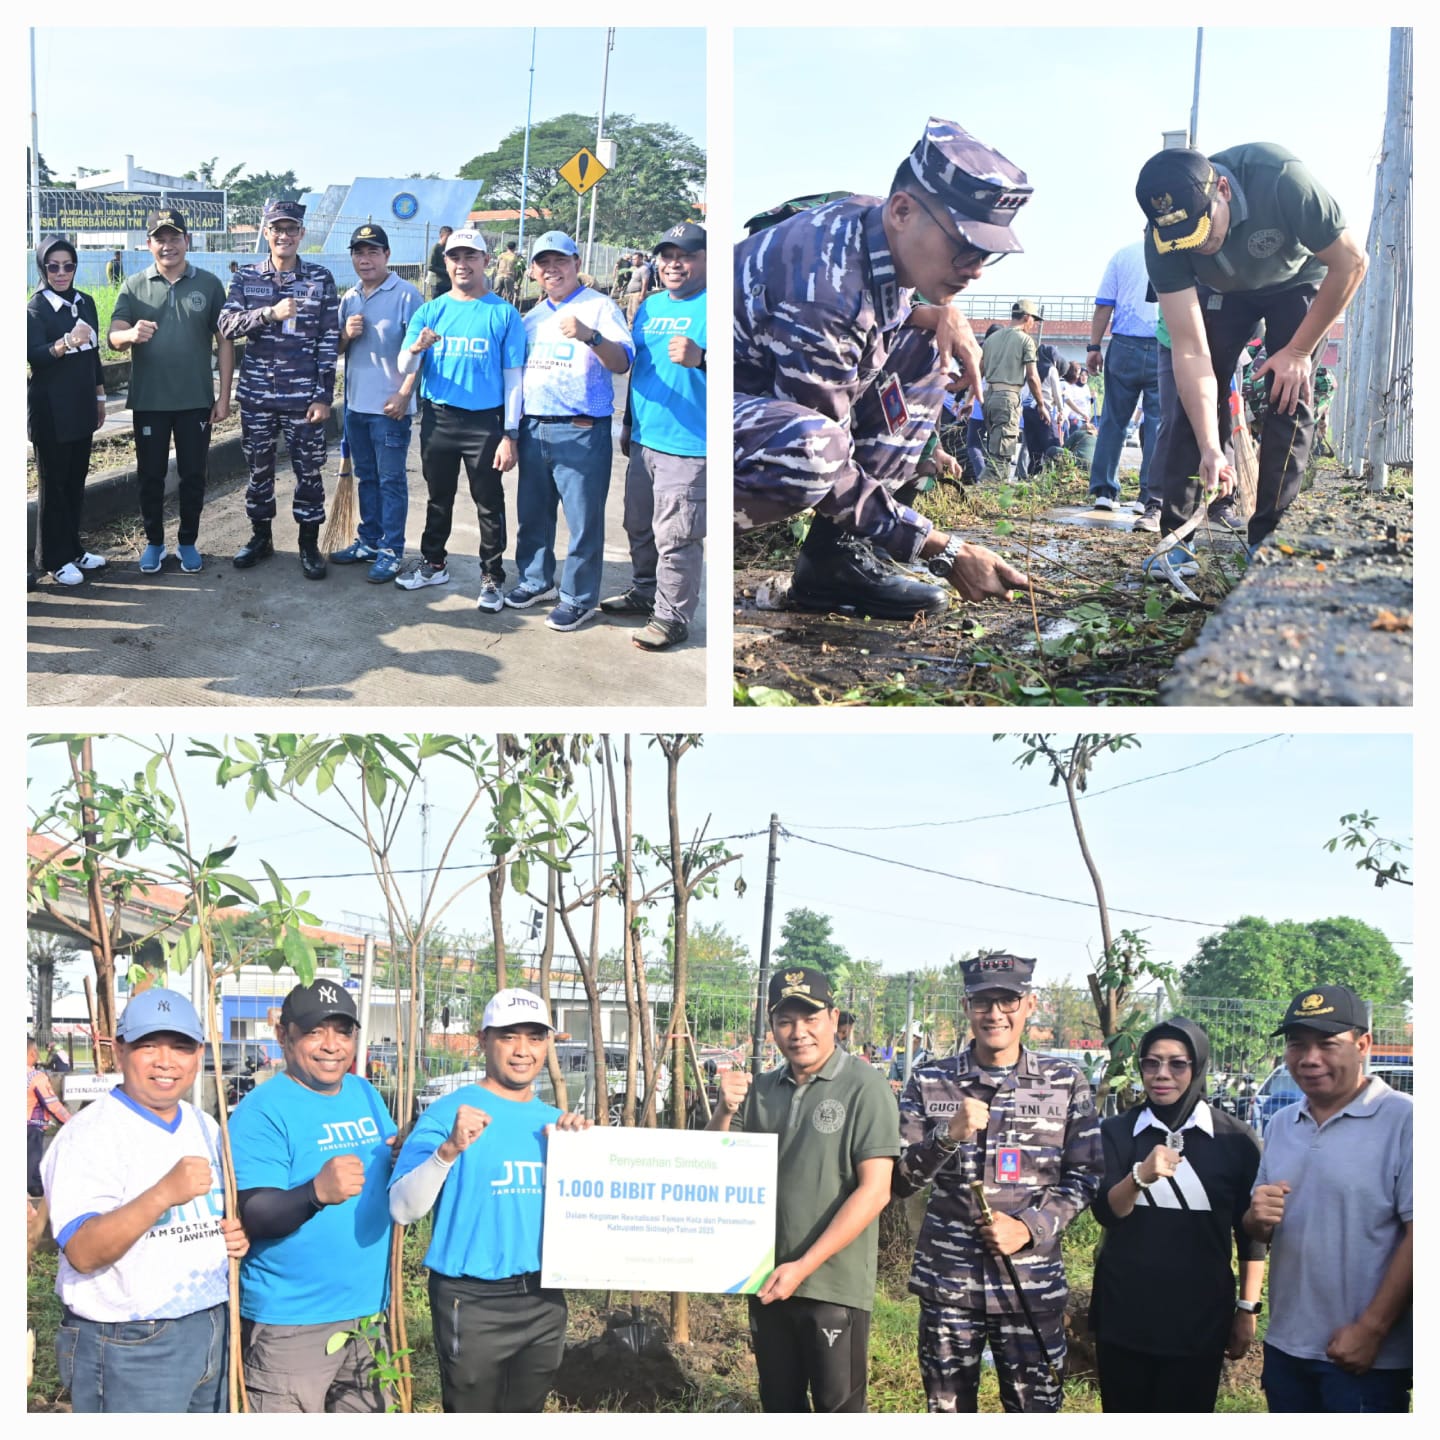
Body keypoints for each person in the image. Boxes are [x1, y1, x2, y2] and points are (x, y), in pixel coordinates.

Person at [734, 118, 1033, 620]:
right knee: (814, 451)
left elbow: (883, 323)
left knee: (928, 349)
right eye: (964, 246)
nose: (976, 269)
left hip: (761, 397)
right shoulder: (826, 289)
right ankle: (695, 528)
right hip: (702, 414)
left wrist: (941, 315)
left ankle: (834, 560)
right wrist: (945, 550)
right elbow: (828, 466)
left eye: (987, 255)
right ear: (902, 210)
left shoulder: (877, 234)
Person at [1135, 144, 1368, 557]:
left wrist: (1297, 352)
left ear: (1222, 189)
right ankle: (1176, 541)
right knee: (1192, 407)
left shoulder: (1280, 178)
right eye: (1182, 241)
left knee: (1287, 396)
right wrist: (1210, 446)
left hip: (1297, 281)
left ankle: (1267, 540)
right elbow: (1190, 350)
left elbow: (1351, 261)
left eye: (1202, 231)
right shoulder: (1161, 241)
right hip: (1223, 292)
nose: (1199, 246)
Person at [894, 952, 1101, 1413]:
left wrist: (1029, 1227)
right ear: (966, 1007)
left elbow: (1087, 1176)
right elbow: (900, 1180)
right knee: (948, 1412)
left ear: (1029, 1004)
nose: (995, 1014)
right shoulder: (930, 1082)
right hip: (950, 1284)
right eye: (983, 1002)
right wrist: (945, 1138)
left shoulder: (1065, 1081)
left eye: (1007, 1001)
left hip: (1030, 1284)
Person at [40, 989, 248, 1412]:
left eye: (181, 1047)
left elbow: (206, 1215)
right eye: (148, 1045)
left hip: (210, 1324)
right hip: (130, 1341)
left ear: (199, 1054)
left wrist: (231, 1234)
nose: (165, 1061)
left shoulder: (204, 1125)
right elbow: (82, 1251)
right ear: (120, 1050)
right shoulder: (88, 1135)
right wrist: (162, 1194)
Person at [389, 989, 591, 1411]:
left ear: (548, 1044)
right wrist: (447, 1150)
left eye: (535, 1038)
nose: (523, 1051)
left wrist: (585, 1151)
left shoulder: (557, 1125)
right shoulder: (449, 1114)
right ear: (483, 1040)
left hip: (543, 1297)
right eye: (508, 1037)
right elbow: (403, 1208)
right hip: (472, 1299)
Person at [708, 966, 899, 1412]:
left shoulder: (864, 1088)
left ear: (833, 1019)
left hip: (832, 1285)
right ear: (772, 1026)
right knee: (779, 1403)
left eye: (810, 1019)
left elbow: (875, 1192)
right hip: (768, 1279)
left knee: (838, 1409)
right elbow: (717, 1163)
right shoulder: (762, 1090)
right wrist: (722, 1108)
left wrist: (803, 1265)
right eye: (785, 1021)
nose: (799, 1033)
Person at [229, 980, 398, 1412]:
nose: (331, 1045)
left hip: (369, 1314)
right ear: (284, 1036)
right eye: (314, 1031)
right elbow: (255, 1213)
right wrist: (315, 1193)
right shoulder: (263, 1110)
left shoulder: (364, 1093)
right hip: (293, 1321)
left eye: (342, 1031)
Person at [1243, 985, 1411, 1413]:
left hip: (1363, 1357)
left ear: (1363, 1044)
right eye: (1297, 1045)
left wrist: (1372, 1329)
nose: (1309, 1058)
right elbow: (1260, 1226)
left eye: (1327, 1044)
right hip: (1285, 1346)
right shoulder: (1282, 1123)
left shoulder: (1406, 1121)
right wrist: (1256, 1219)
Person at [1089, 1017, 1265, 1412]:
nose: (1161, 1075)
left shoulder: (1235, 1141)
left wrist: (1246, 1309)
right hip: (1124, 1315)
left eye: (1176, 1064)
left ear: (1198, 1066)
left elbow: (1250, 1235)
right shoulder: (1117, 1132)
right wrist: (1140, 1176)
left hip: (1199, 1321)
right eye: (1151, 1063)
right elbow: (1106, 1213)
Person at [508, 230, 634, 632]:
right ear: (532, 271)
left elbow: (621, 363)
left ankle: (578, 598)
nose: (552, 269)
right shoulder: (531, 317)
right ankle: (535, 580)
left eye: (560, 261)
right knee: (533, 515)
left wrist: (590, 336)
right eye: (543, 263)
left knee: (582, 520)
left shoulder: (600, 308)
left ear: (577, 264)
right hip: (534, 427)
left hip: (580, 430)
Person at [393, 228, 524, 609]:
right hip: (440, 418)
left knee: (488, 500)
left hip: (485, 422)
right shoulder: (431, 311)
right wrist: (417, 346)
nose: (462, 265)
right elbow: (405, 363)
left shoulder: (502, 313)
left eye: (471, 257)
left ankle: (492, 576)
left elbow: (514, 377)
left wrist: (509, 433)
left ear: (486, 260)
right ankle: (434, 563)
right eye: (455, 257)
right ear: (445, 263)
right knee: (438, 496)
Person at [218, 199, 340, 579]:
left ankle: (307, 543)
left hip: (302, 396)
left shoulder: (320, 279)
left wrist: (323, 395)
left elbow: (328, 338)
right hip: (257, 396)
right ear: (266, 233)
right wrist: (268, 314)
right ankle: (261, 538)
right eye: (277, 229)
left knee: (309, 471)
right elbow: (226, 325)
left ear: (301, 234)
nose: (284, 235)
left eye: (291, 229)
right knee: (258, 470)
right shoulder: (246, 278)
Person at [108, 208, 233, 575]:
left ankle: (188, 542)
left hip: (195, 400)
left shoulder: (208, 284)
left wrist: (224, 396)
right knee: (151, 475)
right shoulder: (134, 285)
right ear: (148, 245)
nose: (168, 246)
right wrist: (130, 335)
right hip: (150, 401)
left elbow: (224, 340)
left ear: (187, 241)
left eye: (174, 237)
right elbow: (114, 336)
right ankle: (154, 544)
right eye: (159, 239)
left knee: (194, 473)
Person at [603, 220, 707, 651]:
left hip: (692, 444)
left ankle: (673, 617)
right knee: (638, 524)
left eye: (685, 255)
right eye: (667, 255)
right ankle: (646, 591)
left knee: (677, 535)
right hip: (646, 437)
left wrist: (704, 359)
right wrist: (628, 423)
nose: (674, 263)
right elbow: (639, 371)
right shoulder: (649, 307)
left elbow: (754, 373)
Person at [328, 223, 423, 583]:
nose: (364, 259)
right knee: (366, 477)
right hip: (355, 408)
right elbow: (335, 350)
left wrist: (405, 394)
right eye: (358, 252)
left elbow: (421, 352)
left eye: (372, 252)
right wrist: (345, 335)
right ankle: (368, 541)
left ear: (387, 255)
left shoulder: (406, 295)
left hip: (389, 409)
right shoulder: (349, 297)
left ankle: (391, 550)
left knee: (391, 481)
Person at [28, 234, 108, 587]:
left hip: (80, 406)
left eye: (68, 266)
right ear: (43, 268)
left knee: (75, 483)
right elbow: (35, 356)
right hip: (51, 411)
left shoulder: (85, 302)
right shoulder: (35, 308)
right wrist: (65, 342)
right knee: (54, 487)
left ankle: (73, 549)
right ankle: (52, 558)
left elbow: (94, 357)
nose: (61, 273)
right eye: (53, 266)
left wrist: (101, 398)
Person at [1086, 240, 1161, 526]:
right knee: (1156, 423)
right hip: (1162, 344)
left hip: (1124, 345)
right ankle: (1148, 497)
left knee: (1113, 420)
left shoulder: (1123, 255)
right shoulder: (1178, 250)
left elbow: (1104, 305)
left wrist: (1093, 346)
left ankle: (1104, 491)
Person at [981, 300, 1051, 481]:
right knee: (1002, 456)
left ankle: (988, 490)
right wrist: (1041, 404)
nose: (1033, 325)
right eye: (1033, 320)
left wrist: (966, 399)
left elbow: (978, 371)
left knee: (994, 450)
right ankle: (986, 492)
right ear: (1027, 317)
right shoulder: (1026, 340)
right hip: (1008, 398)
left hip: (989, 397)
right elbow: (1032, 377)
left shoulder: (991, 339)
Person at [27, 1036, 71, 1197]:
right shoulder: (35, 1077)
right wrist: (72, 1122)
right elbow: (52, 1104)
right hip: (31, 1125)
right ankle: (34, 1186)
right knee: (32, 1159)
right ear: (32, 1053)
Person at [426, 226, 454, 301]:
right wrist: (445, 271)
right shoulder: (436, 248)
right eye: (448, 237)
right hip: (437, 284)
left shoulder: (448, 248)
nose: (449, 239)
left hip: (448, 283)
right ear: (441, 236)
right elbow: (430, 266)